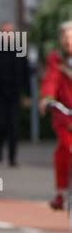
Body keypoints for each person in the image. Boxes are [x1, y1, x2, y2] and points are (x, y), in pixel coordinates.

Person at [0, 22, 31, 166]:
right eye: (5, 32)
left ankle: (12, 158)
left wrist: (27, 94)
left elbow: (26, 73)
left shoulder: (20, 50)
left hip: (14, 94)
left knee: (14, 127)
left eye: (10, 33)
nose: (7, 35)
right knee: (1, 125)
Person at [39, 21, 72, 211]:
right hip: (64, 116)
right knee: (66, 149)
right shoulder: (56, 60)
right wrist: (48, 98)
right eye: (65, 38)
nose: (68, 42)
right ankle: (61, 193)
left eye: (71, 38)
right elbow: (51, 80)